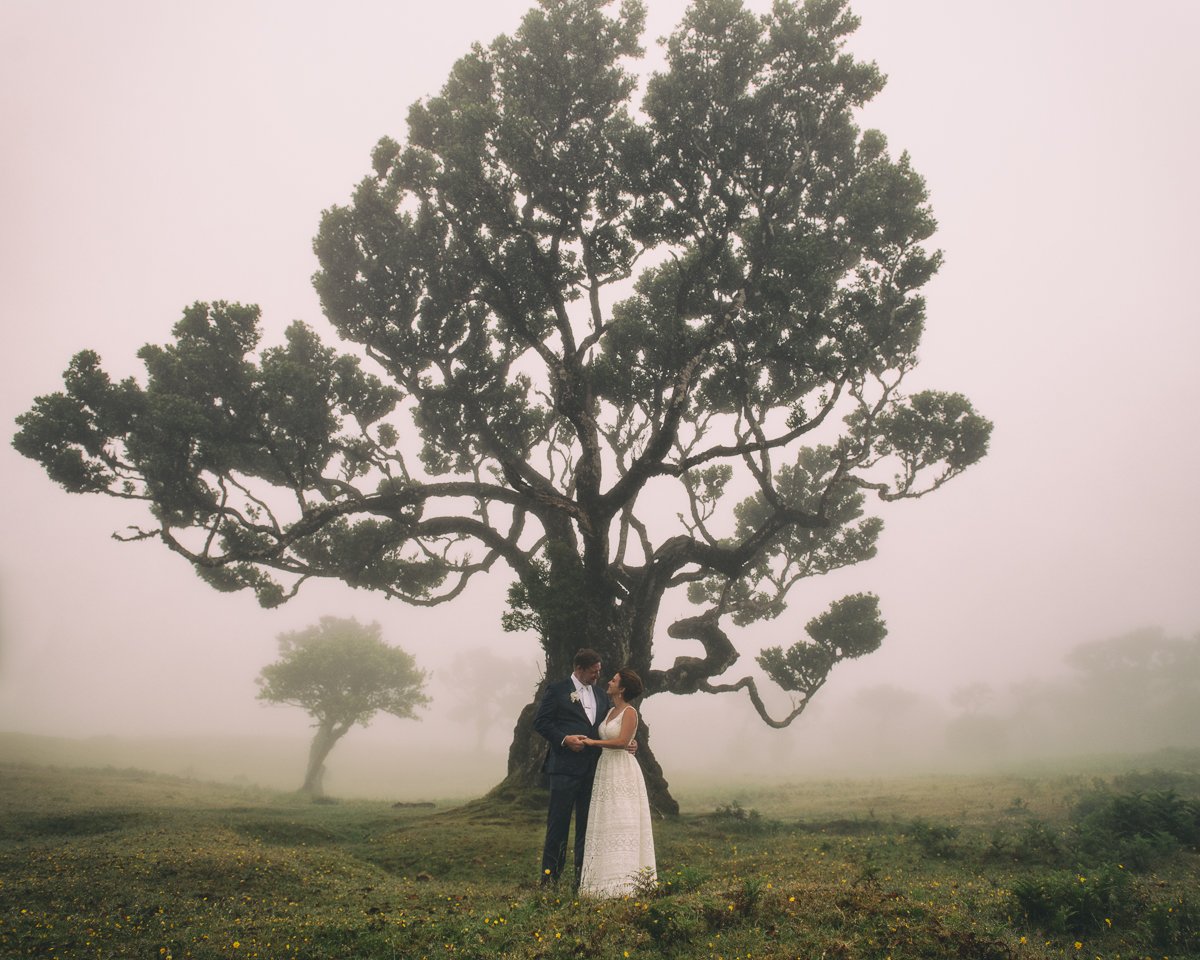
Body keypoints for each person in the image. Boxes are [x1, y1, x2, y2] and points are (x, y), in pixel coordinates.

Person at [577, 667, 657, 898]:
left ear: (622, 688)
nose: (609, 682)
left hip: (622, 768)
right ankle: (601, 881)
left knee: (623, 821)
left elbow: (623, 741)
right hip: (606, 767)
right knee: (606, 820)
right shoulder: (610, 710)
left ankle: (625, 883)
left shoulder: (630, 711)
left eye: (613, 680)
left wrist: (593, 743)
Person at [533, 648, 608, 889]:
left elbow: (608, 726)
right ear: (579, 669)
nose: (597, 676)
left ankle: (582, 881)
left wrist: (629, 740)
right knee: (558, 826)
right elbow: (541, 722)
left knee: (588, 828)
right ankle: (549, 880)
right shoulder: (557, 690)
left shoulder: (600, 694)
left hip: (593, 770)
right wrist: (565, 739)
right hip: (564, 769)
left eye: (599, 671)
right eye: (593, 672)